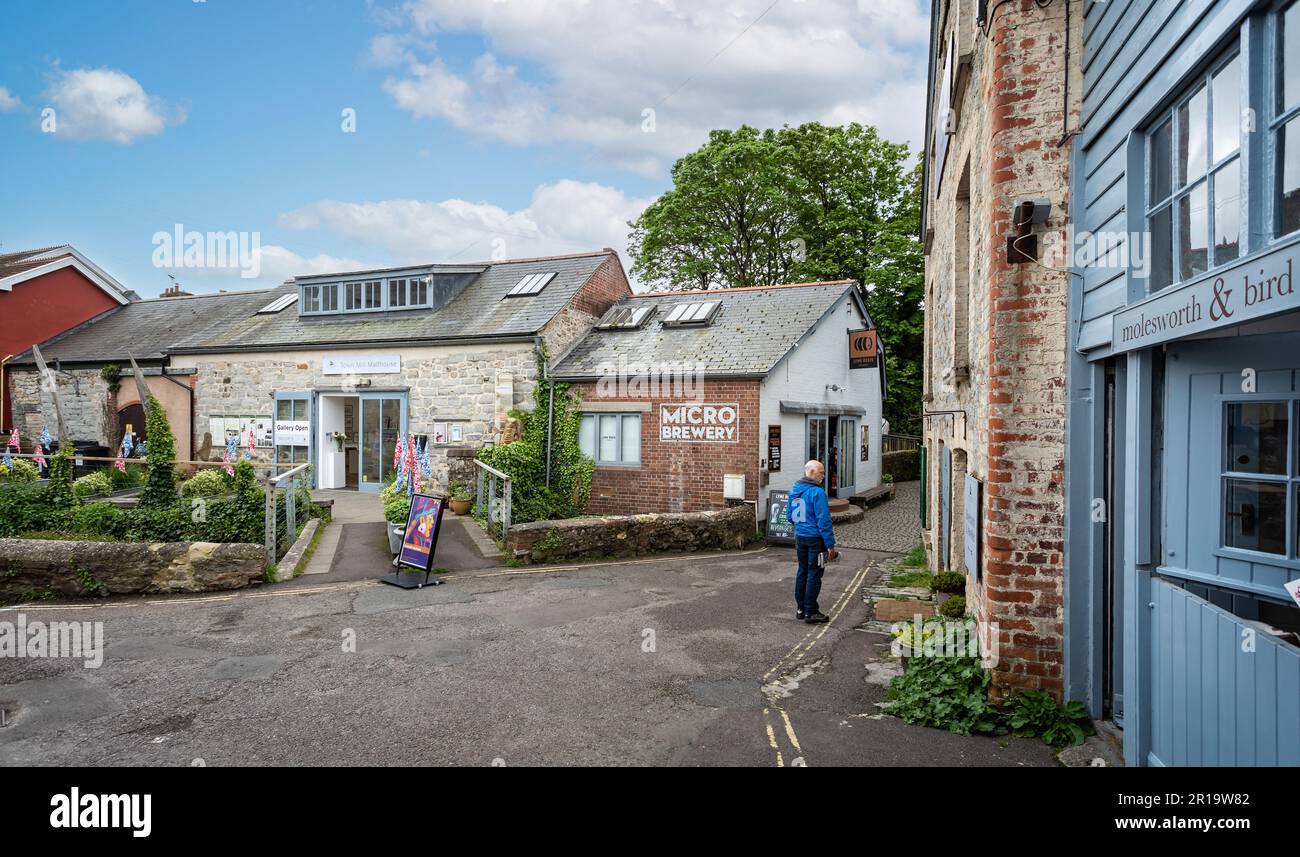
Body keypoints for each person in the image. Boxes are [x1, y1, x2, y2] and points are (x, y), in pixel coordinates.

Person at [788, 459, 839, 624]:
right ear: (811, 472)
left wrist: (801, 525)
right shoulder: (817, 493)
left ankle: (801, 609)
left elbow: (790, 516)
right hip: (816, 540)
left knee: (802, 571)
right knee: (815, 574)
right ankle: (811, 611)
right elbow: (824, 521)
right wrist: (830, 545)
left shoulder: (794, 490)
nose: (823, 476)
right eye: (821, 473)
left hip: (800, 538)